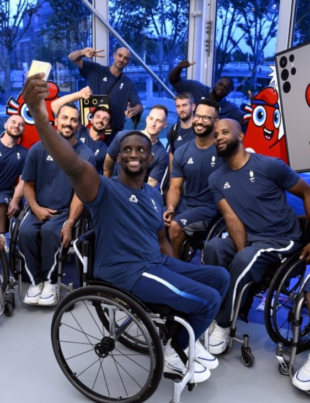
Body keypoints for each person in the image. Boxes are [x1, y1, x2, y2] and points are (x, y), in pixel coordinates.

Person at [22, 73, 230, 383]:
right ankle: (175, 350)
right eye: (127, 150)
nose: (134, 153)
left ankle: (182, 334)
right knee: (208, 299)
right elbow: (74, 165)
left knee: (220, 277)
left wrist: (173, 268)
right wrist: (40, 117)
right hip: (125, 271)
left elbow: (160, 237)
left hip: (154, 263)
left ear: (150, 158)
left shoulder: (151, 194)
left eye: (141, 150)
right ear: (118, 157)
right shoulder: (103, 188)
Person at [202, 118, 310, 355]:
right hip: (251, 237)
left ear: (240, 136)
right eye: (215, 134)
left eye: (224, 132)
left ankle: (222, 324)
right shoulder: (216, 179)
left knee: (244, 260)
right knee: (213, 248)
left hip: (282, 238)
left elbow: (306, 192)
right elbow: (231, 217)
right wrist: (242, 250)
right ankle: (213, 312)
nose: (218, 137)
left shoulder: (269, 166)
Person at [18, 102, 95, 306]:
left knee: (51, 232)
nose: (68, 123)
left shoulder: (85, 154)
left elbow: (80, 193)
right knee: (24, 232)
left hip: (64, 210)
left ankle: (50, 282)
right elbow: (28, 184)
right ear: (56, 121)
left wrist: (70, 222)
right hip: (37, 207)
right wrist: (35, 208)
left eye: (73, 120)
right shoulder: (38, 148)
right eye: (65, 118)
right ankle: (34, 283)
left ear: (79, 125)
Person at [164, 99, 225, 259]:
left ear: (216, 122)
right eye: (197, 116)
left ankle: (176, 272)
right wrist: (170, 208)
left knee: (176, 227)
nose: (199, 121)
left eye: (206, 118)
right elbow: (175, 188)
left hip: (210, 209)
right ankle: (160, 264)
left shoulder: (224, 152)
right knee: (153, 221)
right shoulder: (182, 152)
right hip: (186, 204)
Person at [68, 47, 143, 144]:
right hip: (89, 129)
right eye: (120, 55)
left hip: (112, 134)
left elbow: (139, 106)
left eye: (125, 58)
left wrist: (134, 111)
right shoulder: (96, 70)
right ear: (114, 55)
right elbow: (72, 58)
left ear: (128, 62)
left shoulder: (128, 84)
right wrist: (82, 52)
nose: (121, 60)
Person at [103, 105, 169, 188]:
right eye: (151, 119)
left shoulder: (162, 155)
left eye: (158, 121)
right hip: (114, 188)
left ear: (165, 124)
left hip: (136, 194)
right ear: (147, 119)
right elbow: (109, 159)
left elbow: (151, 185)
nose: (153, 124)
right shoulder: (122, 136)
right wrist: (106, 185)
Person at [51, 86, 111, 174]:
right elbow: (55, 105)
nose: (101, 120)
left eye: (105, 119)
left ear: (108, 126)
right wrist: (79, 94)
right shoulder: (77, 128)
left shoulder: (105, 150)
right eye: (98, 117)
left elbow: (102, 173)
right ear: (91, 119)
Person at [168, 60, 244, 124]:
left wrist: (254, 104)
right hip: (183, 134)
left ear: (229, 92)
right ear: (215, 83)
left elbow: (246, 119)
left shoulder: (229, 108)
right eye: (220, 84)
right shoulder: (196, 87)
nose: (221, 88)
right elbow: (174, 80)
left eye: (226, 88)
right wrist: (179, 68)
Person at [0, 115, 28, 252]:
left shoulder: (25, 154)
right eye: (13, 122)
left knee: (2, 200)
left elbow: (23, 180)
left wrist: (16, 200)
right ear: (5, 125)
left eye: (21, 124)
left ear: (24, 131)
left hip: (5, 191)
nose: (16, 125)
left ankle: (2, 238)